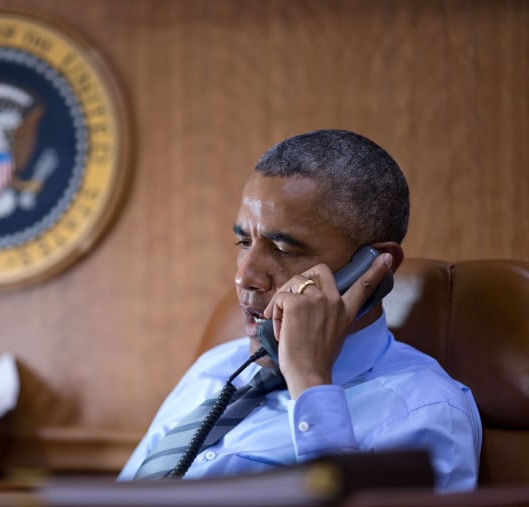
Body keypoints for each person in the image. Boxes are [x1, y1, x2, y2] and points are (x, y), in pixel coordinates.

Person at [118, 129, 482, 492]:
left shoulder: (425, 412)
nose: (245, 277)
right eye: (244, 242)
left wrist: (309, 380)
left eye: (284, 249)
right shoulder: (215, 369)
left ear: (374, 267)